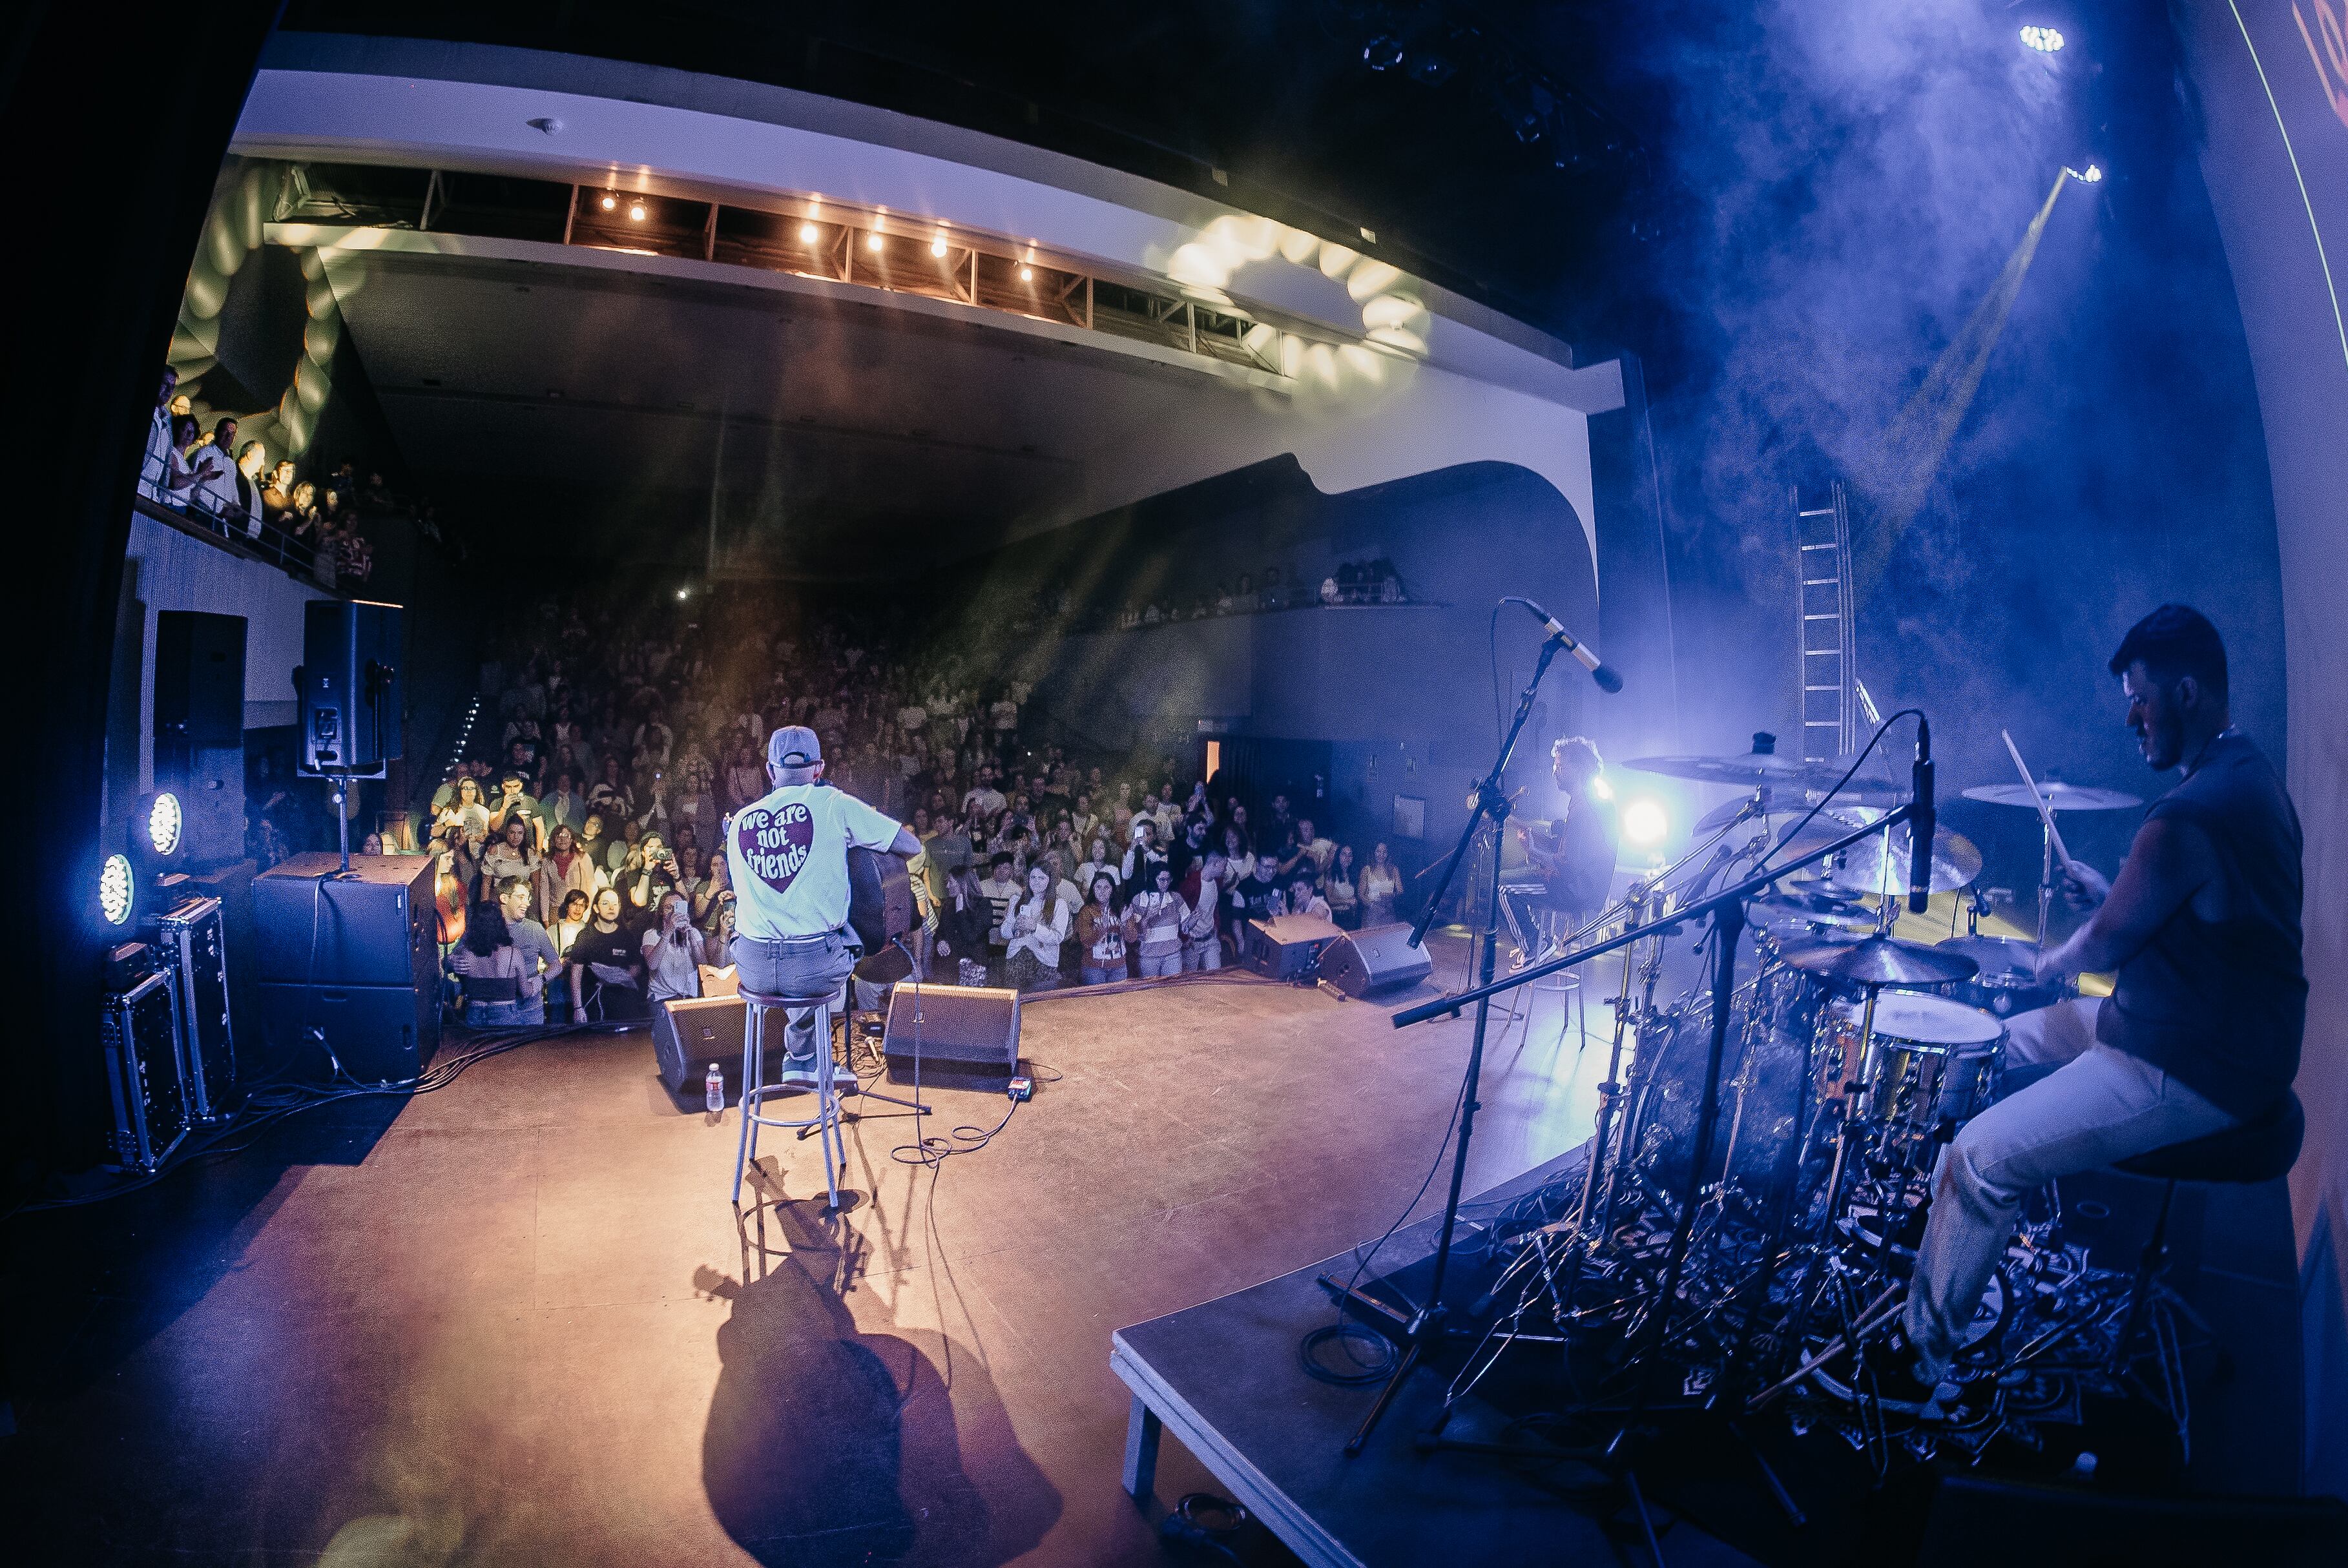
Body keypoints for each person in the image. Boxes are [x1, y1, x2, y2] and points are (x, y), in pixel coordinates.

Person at [1895, 606, 2303, 1409]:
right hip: (2208, 1029)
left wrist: (2047, 959)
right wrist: (2108, 891)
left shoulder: (2185, 815)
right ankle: (1948, 1238)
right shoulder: (2248, 775)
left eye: (2140, 700)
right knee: (1984, 1044)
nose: (2129, 719)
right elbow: (2192, 911)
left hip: (2185, 1062)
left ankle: (1922, 1362)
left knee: (1978, 1156)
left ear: (2186, 692)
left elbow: (2098, 951)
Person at [724, 725, 919, 1088]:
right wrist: (854, 848)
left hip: (753, 967)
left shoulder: (739, 822)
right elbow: (912, 846)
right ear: (819, 769)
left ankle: (803, 1057)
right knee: (838, 940)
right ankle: (811, 1059)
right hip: (813, 967)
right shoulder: (835, 804)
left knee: (802, 938)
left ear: (769, 771)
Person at [1514, 736, 1619, 960]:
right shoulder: (1586, 804)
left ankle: (1535, 945)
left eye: (1561, 766)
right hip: (1578, 887)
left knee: (1505, 890)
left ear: (1579, 769)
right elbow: (1568, 848)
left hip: (1576, 891)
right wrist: (1534, 839)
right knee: (1516, 881)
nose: (1555, 771)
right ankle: (1533, 940)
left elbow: (1569, 863)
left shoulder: (1585, 811)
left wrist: (1532, 851)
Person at [447, 898, 545, 1027]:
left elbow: (445, 966)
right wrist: (539, 981)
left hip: (474, 1013)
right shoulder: (512, 953)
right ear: (500, 924)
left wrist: (450, 959)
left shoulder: (465, 952)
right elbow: (525, 992)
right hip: (505, 1015)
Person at [568, 886, 649, 1022]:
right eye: (605, 903)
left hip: (623, 1005)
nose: (611, 907)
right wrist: (578, 1008)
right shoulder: (586, 936)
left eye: (615, 904)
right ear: (596, 908)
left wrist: (622, 976)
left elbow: (636, 966)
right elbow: (576, 972)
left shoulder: (626, 936)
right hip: (595, 1004)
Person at [496, 876, 564, 1016]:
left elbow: (556, 966)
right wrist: (455, 961)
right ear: (504, 898)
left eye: (528, 898)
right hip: (498, 1009)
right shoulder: (485, 927)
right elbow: (452, 961)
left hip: (530, 1009)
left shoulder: (535, 929)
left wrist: (541, 980)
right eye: (521, 897)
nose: (527, 903)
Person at [999, 864, 1070, 991]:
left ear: (1050, 880)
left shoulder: (1060, 904)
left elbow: (1057, 937)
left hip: (1044, 961)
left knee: (1039, 1006)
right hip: (1016, 959)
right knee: (1016, 1003)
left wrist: (1035, 928)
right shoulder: (1016, 900)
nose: (1036, 881)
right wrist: (1015, 928)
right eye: (1033, 877)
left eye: (1042, 878)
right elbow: (1004, 932)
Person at [642, 889, 707, 1005]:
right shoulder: (651, 934)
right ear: (661, 911)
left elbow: (702, 965)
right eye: (668, 907)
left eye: (677, 907)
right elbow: (652, 965)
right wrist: (669, 930)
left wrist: (690, 935)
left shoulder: (694, 933)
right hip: (661, 997)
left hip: (688, 998)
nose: (673, 912)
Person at [1123, 865, 1189, 978]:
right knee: (1151, 993)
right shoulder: (1139, 900)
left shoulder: (1176, 898)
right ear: (1153, 878)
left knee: (1175, 991)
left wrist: (1194, 920)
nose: (1166, 883)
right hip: (1149, 956)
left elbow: (1186, 926)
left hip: (1173, 955)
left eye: (1169, 879)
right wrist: (1148, 916)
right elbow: (1137, 934)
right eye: (1162, 879)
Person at [535, 822, 599, 923]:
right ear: (554, 840)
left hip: (579, 910)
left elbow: (591, 887)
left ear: (572, 839)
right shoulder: (547, 861)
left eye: (566, 836)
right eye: (559, 836)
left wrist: (587, 914)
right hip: (556, 911)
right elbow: (544, 891)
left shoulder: (583, 858)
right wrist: (545, 918)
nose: (563, 839)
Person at [1074, 873, 1127, 985]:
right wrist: (1102, 929)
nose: (1102, 891)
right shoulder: (1086, 911)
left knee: (1120, 1002)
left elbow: (1132, 938)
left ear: (1112, 890)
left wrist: (1125, 924)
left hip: (1119, 967)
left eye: (1106, 887)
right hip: (1094, 969)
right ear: (1093, 889)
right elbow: (1086, 943)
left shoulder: (1122, 909)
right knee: (1096, 1003)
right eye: (1098, 887)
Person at [1360, 841, 1404, 927]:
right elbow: (1361, 894)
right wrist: (1372, 905)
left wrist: (1391, 895)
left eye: (1384, 852)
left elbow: (1401, 891)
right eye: (1378, 852)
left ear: (1388, 854)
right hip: (1371, 910)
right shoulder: (1367, 869)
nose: (1381, 855)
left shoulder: (1394, 869)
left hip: (1388, 910)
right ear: (1374, 853)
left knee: (1387, 938)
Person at [1325, 843, 1361, 930]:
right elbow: (1328, 900)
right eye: (1344, 854)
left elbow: (1354, 898)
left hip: (1349, 916)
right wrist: (1347, 901)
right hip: (1336, 916)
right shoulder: (1332, 874)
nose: (1347, 858)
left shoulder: (1353, 875)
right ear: (1338, 856)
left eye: (1350, 855)